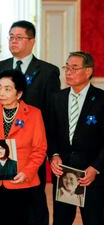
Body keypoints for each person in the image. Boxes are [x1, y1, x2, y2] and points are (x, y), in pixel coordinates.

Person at [0, 20, 60, 225]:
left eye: (19, 37)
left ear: (32, 41)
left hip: (29, 156)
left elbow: (52, 117)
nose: (13, 41)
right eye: (10, 36)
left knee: (31, 214)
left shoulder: (48, 72)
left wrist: (50, 154)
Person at [0, 69, 47, 225]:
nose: (1, 93)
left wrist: (27, 172)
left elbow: (40, 149)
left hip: (21, 181)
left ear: (19, 94)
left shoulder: (34, 114)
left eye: (7, 89)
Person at [48, 51, 104, 225]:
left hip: (91, 174)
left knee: (94, 219)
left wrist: (96, 167)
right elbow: (50, 132)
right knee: (61, 220)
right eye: (66, 67)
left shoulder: (102, 99)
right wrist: (54, 155)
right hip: (64, 173)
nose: (68, 72)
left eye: (74, 68)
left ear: (88, 71)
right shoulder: (57, 98)